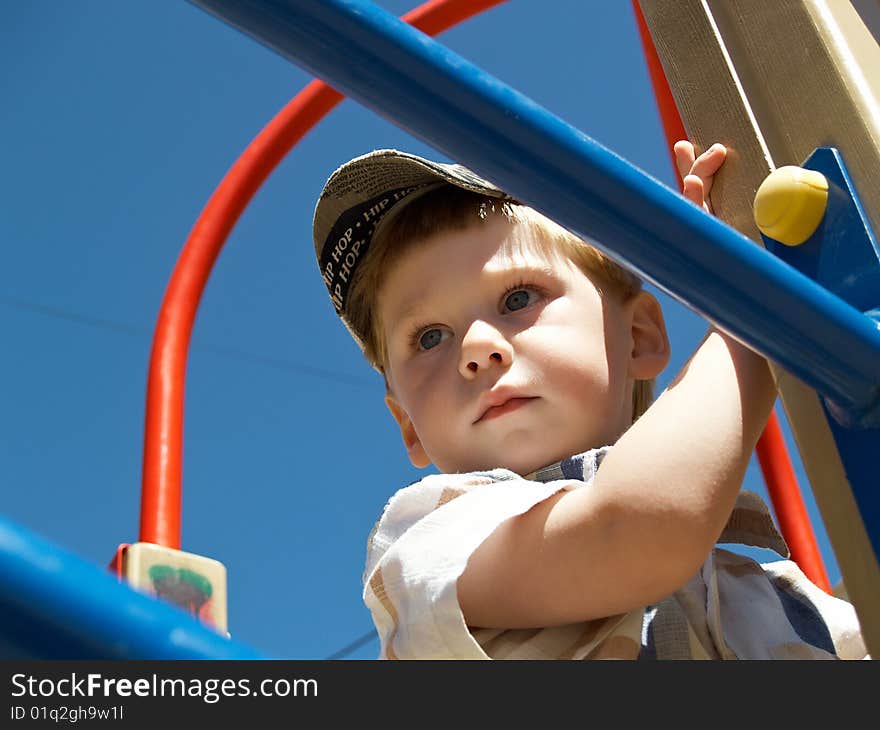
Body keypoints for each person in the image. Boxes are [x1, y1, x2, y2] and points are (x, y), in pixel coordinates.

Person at [311, 141, 867, 659]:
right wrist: (752, 316)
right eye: (429, 337)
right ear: (408, 424)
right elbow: (640, 530)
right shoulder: (431, 541)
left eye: (518, 297)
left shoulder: (776, 597)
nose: (476, 349)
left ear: (639, 337)